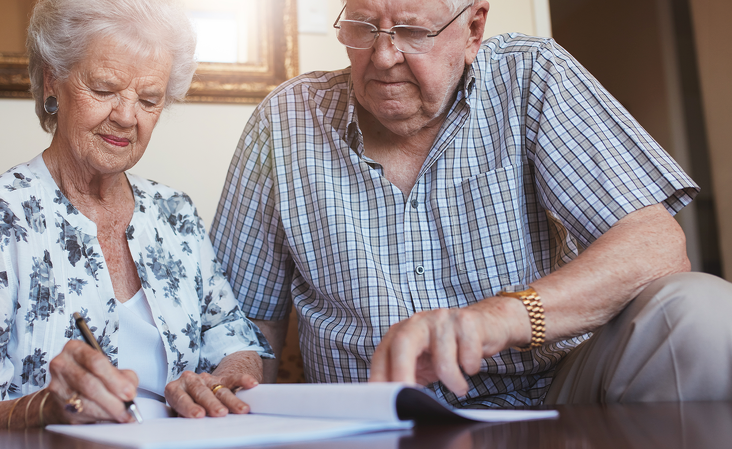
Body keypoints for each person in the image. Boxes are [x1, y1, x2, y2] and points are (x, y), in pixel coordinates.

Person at [210, 0, 732, 407]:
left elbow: (655, 245)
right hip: (368, 421)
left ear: (473, 29)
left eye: (413, 31)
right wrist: (237, 376)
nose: (384, 56)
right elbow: (242, 318)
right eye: (364, 27)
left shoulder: (531, 75)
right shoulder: (285, 118)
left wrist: (496, 319)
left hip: (551, 396)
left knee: (700, 311)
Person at [0, 0, 272, 434]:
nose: (127, 116)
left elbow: (235, 340)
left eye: (149, 100)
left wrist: (222, 383)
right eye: (105, 89)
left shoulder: (174, 214)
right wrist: (44, 410)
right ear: (53, 82)